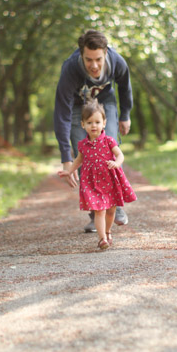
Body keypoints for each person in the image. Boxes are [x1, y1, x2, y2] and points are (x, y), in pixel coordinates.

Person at [54, 29, 133, 232]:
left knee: (109, 145)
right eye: (89, 59)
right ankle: (95, 211)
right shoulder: (70, 69)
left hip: (105, 103)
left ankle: (116, 205)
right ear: (81, 54)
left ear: (106, 53)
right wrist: (66, 157)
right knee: (85, 151)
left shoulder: (117, 61)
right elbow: (62, 112)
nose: (94, 65)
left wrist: (125, 115)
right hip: (77, 107)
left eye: (98, 59)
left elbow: (125, 86)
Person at [58, 99, 137, 250]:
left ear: (104, 123)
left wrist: (116, 163)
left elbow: (120, 155)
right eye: (89, 122)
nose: (93, 125)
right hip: (92, 182)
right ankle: (102, 239)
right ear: (83, 125)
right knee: (99, 210)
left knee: (111, 209)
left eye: (97, 122)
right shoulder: (82, 145)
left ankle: (107, 232)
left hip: (109, 179)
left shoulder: (109, 141)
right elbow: (78, 160)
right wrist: (69, 171)